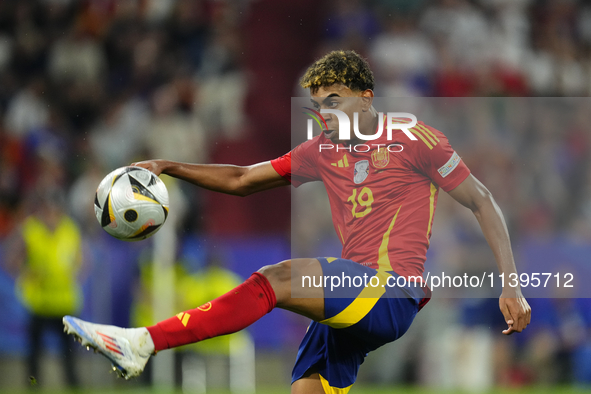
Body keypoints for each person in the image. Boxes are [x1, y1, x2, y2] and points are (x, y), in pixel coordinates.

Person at [63, 50, 531, 393]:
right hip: (353, 298)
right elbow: (244, 178)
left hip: (391, 291)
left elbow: (483, 201)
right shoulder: (320, 151)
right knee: (307, 390)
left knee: (277, 278)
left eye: (334, 101)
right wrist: (169, 166)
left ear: (366, 99)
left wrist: (510, 285)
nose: (324, 113)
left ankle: (142, 343)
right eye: (319, 104)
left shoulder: (415, 138)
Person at [6, 190, 83, 388]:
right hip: (39, 302)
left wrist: (73, 273)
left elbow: (82, 260)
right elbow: (13, 262)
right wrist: (27, 273)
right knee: (34, 352)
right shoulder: (31, 230)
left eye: (53, 210)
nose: (50, 215)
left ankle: (73, 386)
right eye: (46, 210)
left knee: (69, 352)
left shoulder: (69, 230)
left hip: (64, 301)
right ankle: (33, 386)